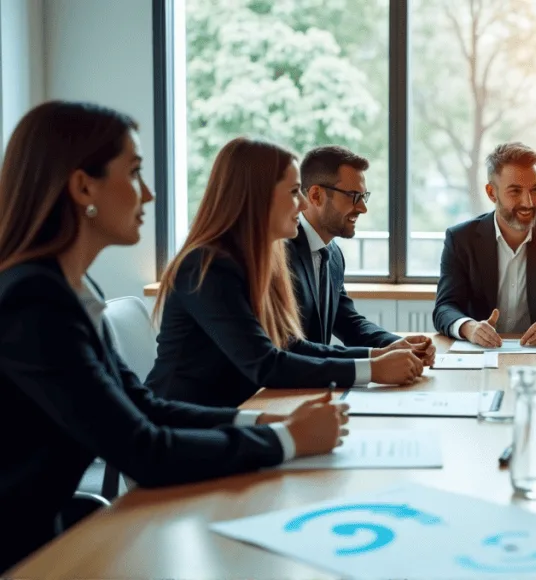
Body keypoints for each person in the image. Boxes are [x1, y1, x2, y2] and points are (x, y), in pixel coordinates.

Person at [0, 102, 346, 572]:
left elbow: (144, 405)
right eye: (135, 173)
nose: (148, 194)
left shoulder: (72, 290)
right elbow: (143, 449)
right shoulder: (33, 302)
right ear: (84, 186)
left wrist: (264, 425)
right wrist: (286, 441)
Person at [147, 138, 423, 408]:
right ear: (257, 197)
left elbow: (290, 345)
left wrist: (377, 355)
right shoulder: (207, 266)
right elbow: (266, 364)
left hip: (244, 411)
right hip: (187, 426)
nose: (303, 204)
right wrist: (372, 369)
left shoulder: (261, 258)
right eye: (294, 192)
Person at [432, 142, 536, 347]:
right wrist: (470, 328)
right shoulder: (461, 239)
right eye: (515, 191)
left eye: (534, 190)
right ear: (492, 193)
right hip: (479, 355)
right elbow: (444, 308)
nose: (528, 202)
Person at [289, 145, 435, 364]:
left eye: (363, 196)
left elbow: (348, 322)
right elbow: (289, 347)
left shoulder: (333, 254)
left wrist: (395, 344)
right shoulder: (281, 254)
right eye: (353, 196)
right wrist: (375, 361)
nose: (363, 208)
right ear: (316, 195)